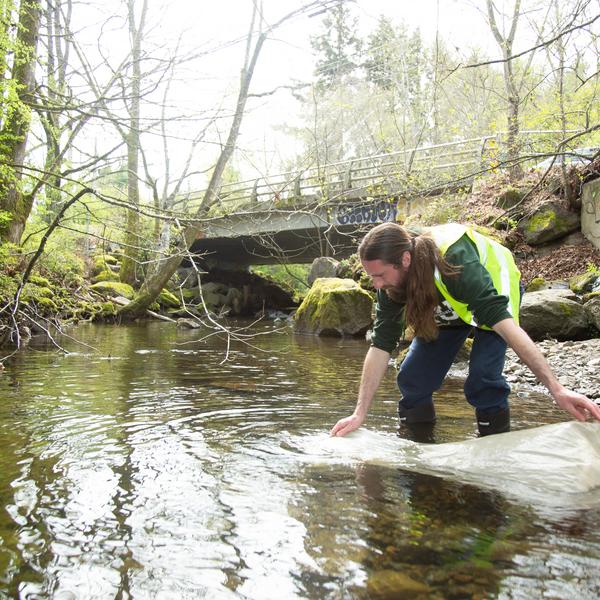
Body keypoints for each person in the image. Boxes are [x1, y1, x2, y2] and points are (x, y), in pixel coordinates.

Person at [330, 222, 600, 439]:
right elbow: (380, 347)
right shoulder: (391, 285)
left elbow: (507, 329)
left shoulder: (455, 261)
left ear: (405, 259)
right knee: (412, 378)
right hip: (448, 299)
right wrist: (359, 413)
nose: (376, 285)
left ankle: (493, 449)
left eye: (380, 275)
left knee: (483, 380)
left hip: (491, 287)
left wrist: (556, 388)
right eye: (372, 277)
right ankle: (418, 448)